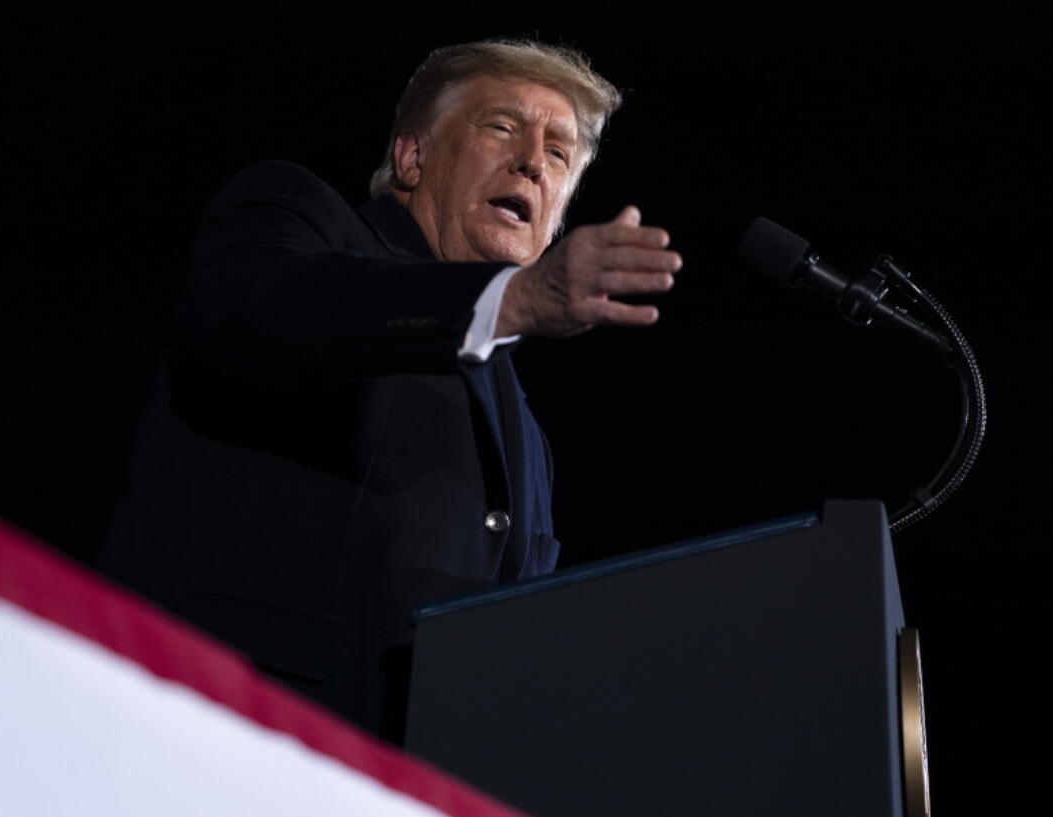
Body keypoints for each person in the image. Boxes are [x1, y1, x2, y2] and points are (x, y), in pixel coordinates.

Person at [98, 39, 681, 739]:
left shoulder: (527, 431)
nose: (532, 158)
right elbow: (265, 313)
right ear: (412, 158)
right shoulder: (297, 214)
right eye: (502, 126)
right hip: (222, 721)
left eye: (558, 154)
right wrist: (516, 301)